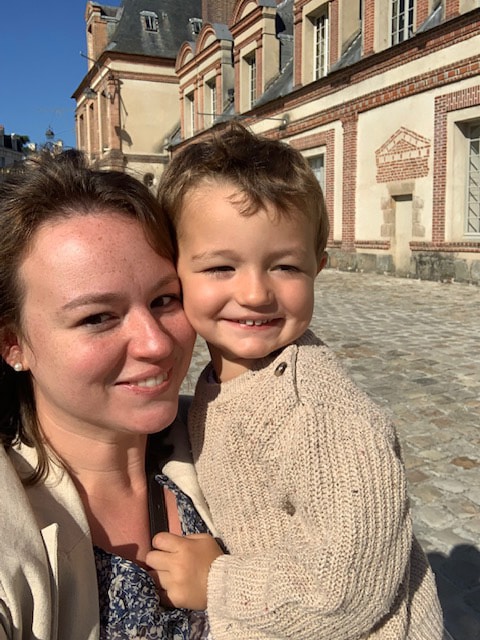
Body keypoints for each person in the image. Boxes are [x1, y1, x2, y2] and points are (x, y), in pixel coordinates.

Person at [151, 123, 445, 639]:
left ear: (318, 267)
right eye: (221, 267)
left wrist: (217, 583)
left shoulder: (321, 413)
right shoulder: (222, 383)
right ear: (173, 272)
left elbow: (348, 590)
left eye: (284, 266)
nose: (256, 293)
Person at [0, 151, 223, 640]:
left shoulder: (229, 442)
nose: (157, 343)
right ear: (13, 344)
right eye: (97, 317)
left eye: (165, 299)